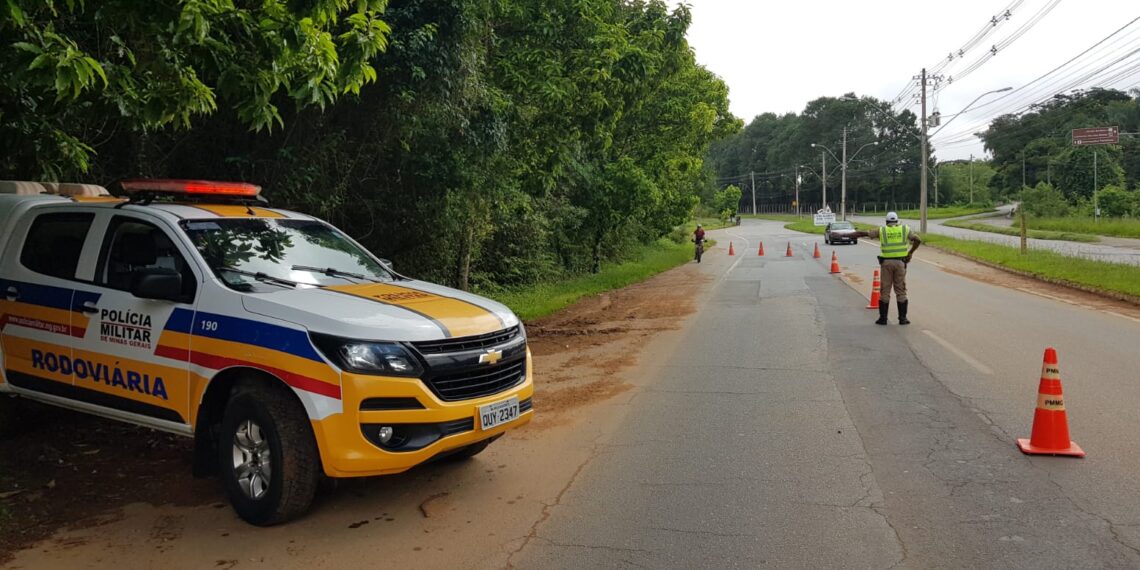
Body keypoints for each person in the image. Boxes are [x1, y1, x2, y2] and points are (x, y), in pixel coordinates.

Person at [852, 212, 922, 325]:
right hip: (900, 263)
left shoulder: (882, 230)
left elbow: (864, 233)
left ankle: (883, 319)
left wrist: (851, 234)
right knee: (901, 290)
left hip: (886, 264)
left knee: (885, 290)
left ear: (886, 221)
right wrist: (910, 253)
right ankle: (903, 319)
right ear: (897, 221)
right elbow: (918, 240)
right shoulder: (905, 229)